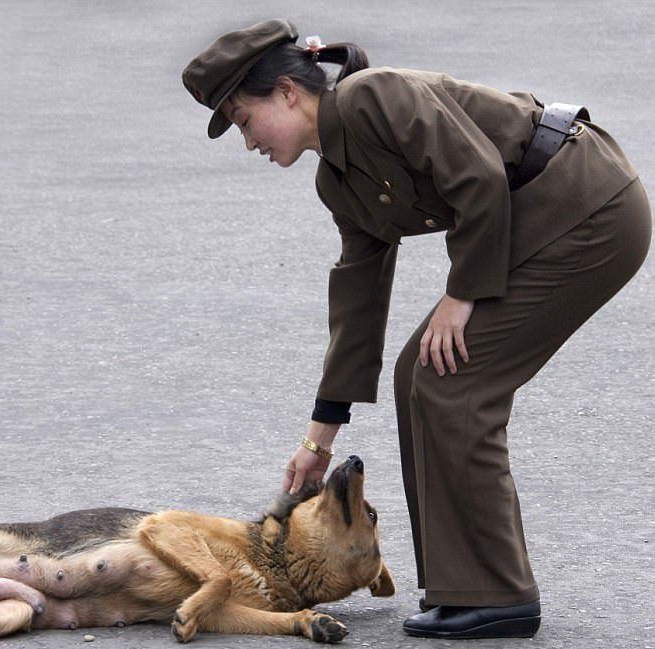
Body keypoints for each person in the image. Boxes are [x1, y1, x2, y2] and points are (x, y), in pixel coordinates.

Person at [182, 19, 651, 640]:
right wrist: (318, 441)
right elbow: (358, 298)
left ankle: (498, 593)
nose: (248, 142)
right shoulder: (337, 179)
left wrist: (461, 294)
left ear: (288, 94)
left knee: (452, 378)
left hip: (586, 206)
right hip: (532, 220)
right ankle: (466, 588)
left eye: (244, 120)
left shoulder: (375, 97)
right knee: (420, 374)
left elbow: (478, 175)